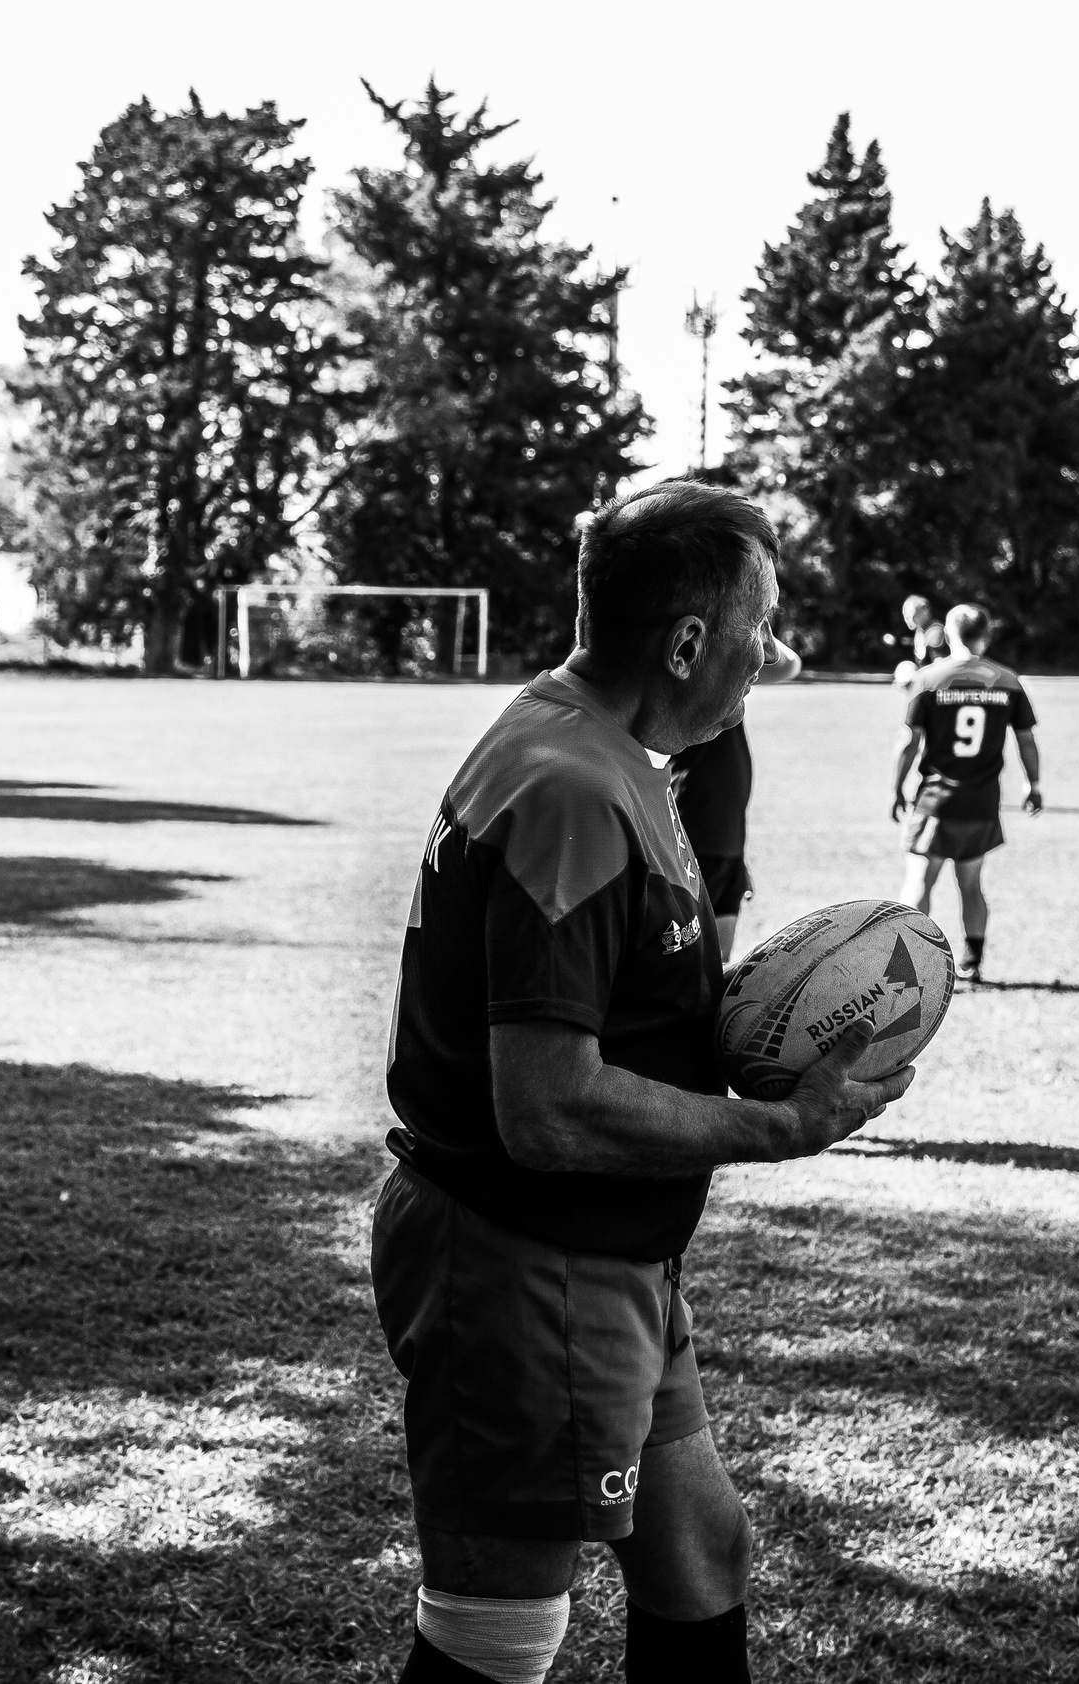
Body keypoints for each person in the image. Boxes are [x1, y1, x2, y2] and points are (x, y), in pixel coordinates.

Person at [374, 480, 915, 1684]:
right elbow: (546, 1105)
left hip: (610, 1252)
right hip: (525, 1259)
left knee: (701, 1553)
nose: (769, 654)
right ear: (684, 643)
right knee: (496, 1635)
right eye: (759, 626)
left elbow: (613, 1010)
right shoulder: (573, 788)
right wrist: (779, 1124)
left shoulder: (600, 746)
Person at [891, 605, 1040, 985]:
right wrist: (1033, 784)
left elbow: (909, 742)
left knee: (920, 882)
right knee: (971, 885)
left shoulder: (929, 678)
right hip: (982, 802)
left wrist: (897, 788)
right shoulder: (1007, 680)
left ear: (948, 635)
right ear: (986, 636)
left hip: (936, 800)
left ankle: (909, 969)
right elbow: (1026, 739)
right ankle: (972, 963)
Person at [667, 632, 799, 963]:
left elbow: (787, 665)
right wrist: (754, 619)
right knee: (692, 961)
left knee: (720, 960)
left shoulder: (726, 663)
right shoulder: (694, 668)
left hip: (726, 837)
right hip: (696, 830)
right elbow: (787, 665)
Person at [891, 593, 947, 690]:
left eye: (910, 612)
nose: (906, 617)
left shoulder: (935, 632)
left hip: (939, 688)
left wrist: (915, 677)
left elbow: (940, 666)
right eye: (904, 613)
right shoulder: (920, 632)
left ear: (924, 610)